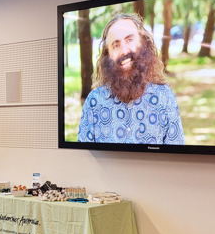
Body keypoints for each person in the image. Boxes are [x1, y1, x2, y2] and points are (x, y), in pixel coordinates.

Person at [78, 12, 184, 144]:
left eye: (129, 40)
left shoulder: (164, 97)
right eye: (116, 45)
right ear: (107, 55)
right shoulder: (94, 102)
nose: (124, 51)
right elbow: (83, 159)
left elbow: (175, 159)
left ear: (143, 43)